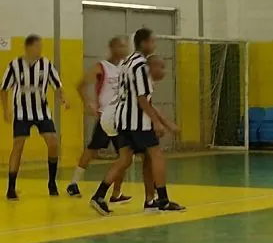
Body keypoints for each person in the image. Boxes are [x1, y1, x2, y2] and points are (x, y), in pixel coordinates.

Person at [90, 28, 184, 215]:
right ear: (144, 43)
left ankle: (100, 196)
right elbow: (142, 99)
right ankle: (163, 200)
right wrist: (158, 122)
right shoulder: (141, 66)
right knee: (156, 154)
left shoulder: (126, 62)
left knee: (126, 159)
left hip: (122, 118)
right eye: (152, 42)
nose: (154, 45)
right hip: (137, 120)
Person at [0, 34, 70, 200]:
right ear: (29, 47)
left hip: (42, 112)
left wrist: (64, 98)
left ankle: (52, 182)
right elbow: (3, 89)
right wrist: (6, 110)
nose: (40, 50)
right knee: (18, 146)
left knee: (53, 143)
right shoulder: (15, 65)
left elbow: (57, 85)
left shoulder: (46, 64)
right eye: (37, 46)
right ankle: (11, 187)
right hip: (21, 112)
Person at [66, 37, 131, 202]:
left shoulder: (126, 68)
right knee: (93, 149)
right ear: (112, 47)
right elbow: (81, 84)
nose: (124, 49)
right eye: (121, 45)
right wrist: (89, 103)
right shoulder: (102, 67)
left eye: (126, 46)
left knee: (125, 156)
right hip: (105, 116)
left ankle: (116, 193)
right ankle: (74, 183)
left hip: (121, 118)